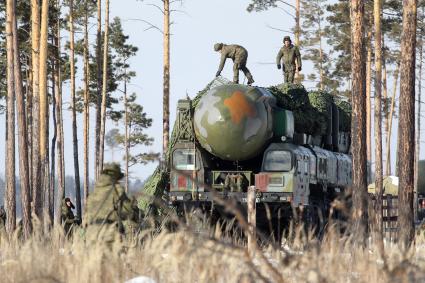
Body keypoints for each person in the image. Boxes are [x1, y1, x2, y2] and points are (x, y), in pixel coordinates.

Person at [85, 163, 140, 246]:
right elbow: (128, 212)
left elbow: (86, 216)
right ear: (116, 176)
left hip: (91, 234)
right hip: (108, 232)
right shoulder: (117, 189)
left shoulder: (94, 192)